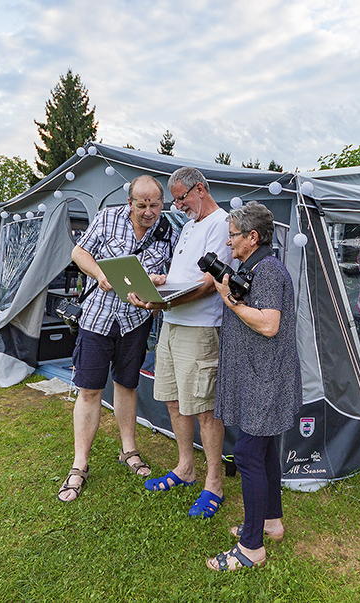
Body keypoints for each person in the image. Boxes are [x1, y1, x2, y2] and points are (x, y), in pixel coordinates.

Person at [57, 175, 177, 502]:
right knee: (90, 389)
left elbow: (175, 277)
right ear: (130, 203)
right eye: (142, 205)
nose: (149, 211)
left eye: (155, 204)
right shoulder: (108, 217)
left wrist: (159, 281)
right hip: (97, 316)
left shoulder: (168, 232)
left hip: (135, 321)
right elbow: (78, 253)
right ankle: (79, 464)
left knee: (127, 385)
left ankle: (129, 450)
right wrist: (100, 274)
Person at [126, 167, 231, 519]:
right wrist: (160, 282)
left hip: (200, 328)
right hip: (171, 323)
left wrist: (164, 301)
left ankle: (213, 483)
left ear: (199, 189)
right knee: (173, 401)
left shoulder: (221, 223)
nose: (177, 205)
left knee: (204, 408)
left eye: (181, 198)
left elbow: (207, 283)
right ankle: (186, 467)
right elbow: (184, 276)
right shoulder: (189, 225)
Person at [206, 202, 301, 572]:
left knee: (246, 454)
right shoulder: (256, 267)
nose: (229, 243)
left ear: (252, 237)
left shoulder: (268, 271)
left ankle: (251, 548)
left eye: (233, 236)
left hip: (266, 379)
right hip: (261, 376)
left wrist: (228, 298)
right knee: (263, 454)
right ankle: (270, 522)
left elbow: (268, 324)